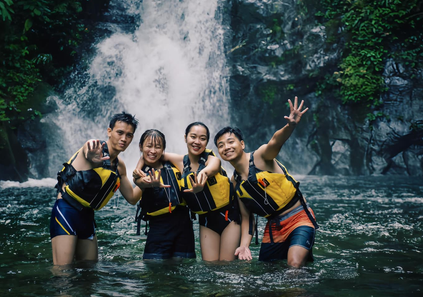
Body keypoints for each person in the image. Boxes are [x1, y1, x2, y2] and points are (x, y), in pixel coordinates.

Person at [214, 97, 317, 268]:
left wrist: (290, 125)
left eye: (230, 142)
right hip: (274, 226)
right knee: (267, 271)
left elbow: (275, 141)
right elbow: (247, 217)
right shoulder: (235, 182)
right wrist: (244, 245)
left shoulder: (260, 157)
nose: (226, 147)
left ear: (242, 144)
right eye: (221, 145)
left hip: (299, 216)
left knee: (294, 265)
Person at [135, 122, 239, 261]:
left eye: (202, 138)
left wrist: (202, 178)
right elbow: (151, 154)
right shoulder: (179, 161)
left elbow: (213, 167)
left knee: (228, 266)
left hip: (228, 216)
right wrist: (138, 170)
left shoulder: (211, 159)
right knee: (211, 267)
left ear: (207, 141)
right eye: (193, 137)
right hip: (206, 221)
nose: (197, 142)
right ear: (185, 138)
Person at [50, 112, 143, 265]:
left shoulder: (120, 166)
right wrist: (92, 155)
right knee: (63, 273)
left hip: (87, 217)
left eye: (129, 135)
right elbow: (88, 149)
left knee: (89, 273)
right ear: (109, 131)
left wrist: (145, 184)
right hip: (66, 211)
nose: (124, 138)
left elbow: (132, 198)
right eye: (120, 132)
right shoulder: (94, 148)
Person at [133, 129, 196, 260]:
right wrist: (150, 183)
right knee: (154, 269)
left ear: (163, 150)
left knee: (184, 268)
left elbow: (191, 160)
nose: (153, 151)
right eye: (149, 146)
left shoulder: (174, 163)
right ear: (140, 147)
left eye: (158, 147)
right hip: (159, 227)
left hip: (183, 225)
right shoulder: (141, 173)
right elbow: (139, 182)